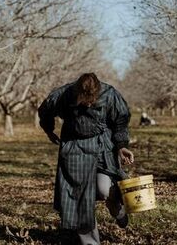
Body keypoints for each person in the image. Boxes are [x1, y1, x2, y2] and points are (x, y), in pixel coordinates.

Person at [38, 73, 134, 245]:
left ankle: (118, 211)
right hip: (74, 149)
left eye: (92, 100)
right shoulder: (64, 94)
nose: (89, 104)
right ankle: (90, 242)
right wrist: (48, 130)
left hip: (102, 147)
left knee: (104, 189)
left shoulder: (109, 94)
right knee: (80, 200)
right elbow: (45, 109)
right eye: (85, 100)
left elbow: (121, 120)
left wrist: (121, 145)